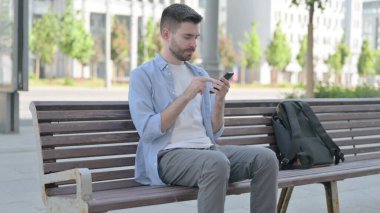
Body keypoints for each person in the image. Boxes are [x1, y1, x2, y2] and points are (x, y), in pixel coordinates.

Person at [128, 3, 278, 213]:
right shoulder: (143, 75)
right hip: (168, 156)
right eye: (187, 37)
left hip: (207, 150)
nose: (193, 44)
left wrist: (219, 100)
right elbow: (147, 130)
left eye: (196, 37)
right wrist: (187, 95)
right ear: (166, 34)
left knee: (265, 158)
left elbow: (214, 132)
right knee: (215, 163)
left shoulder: (197, 72)